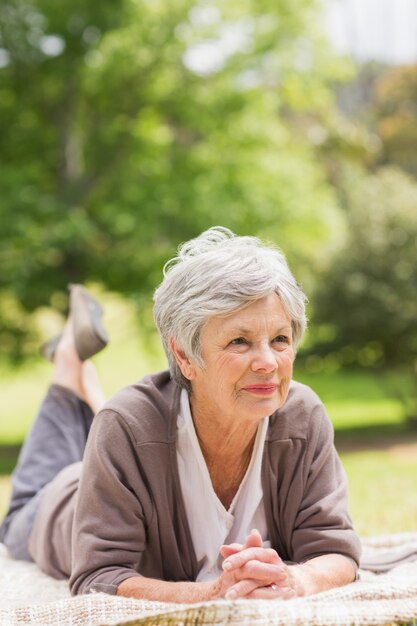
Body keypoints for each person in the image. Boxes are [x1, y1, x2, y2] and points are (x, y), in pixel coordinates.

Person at [0, 227, 361, 602]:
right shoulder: (124, 425)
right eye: (240, 341)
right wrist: (212, 594)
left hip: (128, 444)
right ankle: (68, 363)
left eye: (280, 339)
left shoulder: (303, 417)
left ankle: (88, 390)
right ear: (185, 356)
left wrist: (297, 581)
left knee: (116, 420)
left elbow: (336, 551)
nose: (269, 363)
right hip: (63, 503)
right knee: (20, 516)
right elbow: (98, 576)